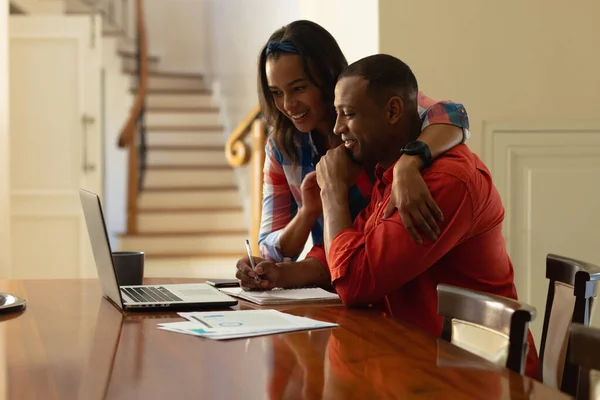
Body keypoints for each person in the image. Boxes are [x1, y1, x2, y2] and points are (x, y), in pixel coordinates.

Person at [312, 53, 539, 378]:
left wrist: (332, 191)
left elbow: (353, 282)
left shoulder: (441, 182)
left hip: (478, 378)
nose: (337, 128)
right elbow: (349, 254)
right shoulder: (392, 173)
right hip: (420, 361)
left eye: (348, 114)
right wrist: (277, 275)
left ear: (392, 111)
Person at [236, 20, 470, 289]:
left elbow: (452, 114)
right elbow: (273, 250)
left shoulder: (377, 121)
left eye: (299, 88)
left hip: (393, 281)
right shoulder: (282, 147)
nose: (288, 105)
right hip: (341, 282)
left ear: (327, 78)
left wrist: (407, 164)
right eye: (276, 93)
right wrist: (309, 211)